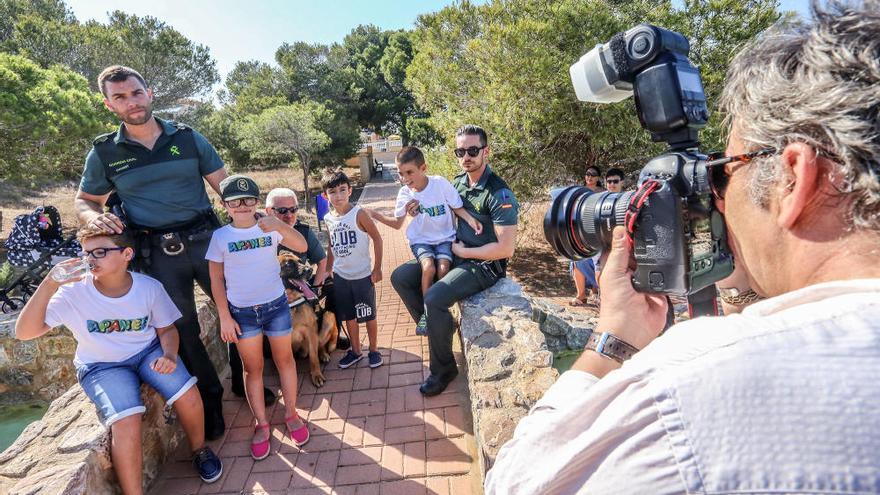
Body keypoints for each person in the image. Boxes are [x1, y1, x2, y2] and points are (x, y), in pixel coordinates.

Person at [485, 3, 880, 493]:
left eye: (726, 170)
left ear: (795, 177)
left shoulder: (687, 387)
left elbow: (516, 482)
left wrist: (614, 334)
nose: (719, 197)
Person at [73, 65, 273, 441]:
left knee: (239, 309)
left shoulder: (188, 137)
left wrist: (256, 222)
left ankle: (246, 382)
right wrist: (94, 217)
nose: (130, 102)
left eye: (135, 92)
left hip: (207, 240)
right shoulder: (104, 153)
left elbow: (225, 188)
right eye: (120, 97)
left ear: (149, 92)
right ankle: (211, 403)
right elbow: (85, 201)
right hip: (156, 253)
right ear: (108, 104)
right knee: (183, 329)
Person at [14, 226, 223, 494]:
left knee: (187, 392)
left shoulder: (148, 288)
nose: (90, 259)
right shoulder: (73, 293)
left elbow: (167, 330)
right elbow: (25, 332)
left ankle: (199, 450)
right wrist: (50, 283)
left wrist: (170, 355)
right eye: (87, 253)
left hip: (147, 351)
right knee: (125, 421)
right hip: (102, 366)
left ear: (127, 254)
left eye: (100, 252)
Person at [391, 125, 519, 396]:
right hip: (451, 253)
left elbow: (506, 249)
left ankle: (443, 369)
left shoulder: (499, 193)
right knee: (401, 277)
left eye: (473, 150)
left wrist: (464, 253)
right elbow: (438, 205)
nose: (466, 157)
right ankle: (443, 327)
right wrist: (416, 211)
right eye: (460, 151)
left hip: (481, 264)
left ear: (486, 151)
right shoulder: (459, 182)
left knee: (435, 298)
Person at [206, 175, 310, 459]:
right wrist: (224, 317)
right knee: (253, 369)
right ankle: (262, 424)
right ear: (224, 204)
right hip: (243, 313)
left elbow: (301, 246)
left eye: (248, 199)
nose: (242, 205)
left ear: (257, 202)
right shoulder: (221, 237)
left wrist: (278, 224)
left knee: (284, 360)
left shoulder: (269, 227)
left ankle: (291, 414)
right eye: (235, 201)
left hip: (275, 307)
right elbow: (216, 280)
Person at [368, 146, 483, 335]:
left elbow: (457, 208)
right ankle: (428, 313)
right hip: (421, 241)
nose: (404, 178)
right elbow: (397, 224)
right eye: (401, 173)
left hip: (445, 238)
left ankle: (443, 308)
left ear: (423, 168)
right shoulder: (405, 194)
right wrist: (375, 215)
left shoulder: (439, 184)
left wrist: (471, 221)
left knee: (443, 268)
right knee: (428, 267)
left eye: (409, 172)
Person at [322, 171, 385, 369]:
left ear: (350, 190)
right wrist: (329, 268)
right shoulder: (328, 218)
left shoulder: (359, 213)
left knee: (368, 315)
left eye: (342, 190)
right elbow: (331, 244)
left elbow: (377, 238)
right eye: (333, 192)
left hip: (362, 276)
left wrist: (377, 268)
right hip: (341, 278)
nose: (338, 196)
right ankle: (356, 351)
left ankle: (374, 350)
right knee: (349, 316)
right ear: (325, 195)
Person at [265, 187, 329, 287]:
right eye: (282, 210)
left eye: (293, 209)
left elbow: (323, 261)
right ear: (269, 211)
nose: (289, 215)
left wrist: (315, 289)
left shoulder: (303, 231)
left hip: (296, 292)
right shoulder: (258, 233)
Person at [569, 166, 603, 306]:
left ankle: (596, 292)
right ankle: (581, 294)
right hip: (580, 230)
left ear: (598, 177)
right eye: (587, 174)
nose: (589, 177)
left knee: (598, 261)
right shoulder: (579, 191)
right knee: (577, 259)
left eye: (593, 175)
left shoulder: (603, 192)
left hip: (598, 231)